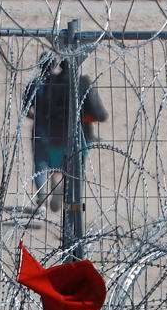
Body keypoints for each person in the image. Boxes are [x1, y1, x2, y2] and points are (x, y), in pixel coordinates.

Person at [23, 56, 108, 215]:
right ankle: (74, 211)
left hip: (52, 134)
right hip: (81, 136)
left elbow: (27, 109)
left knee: (49, 166)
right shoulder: (83, 84)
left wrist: (38, 118)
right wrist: (87, 118)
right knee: (76, 173)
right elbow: (100, 114)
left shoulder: (46, 84)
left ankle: (46, 198)